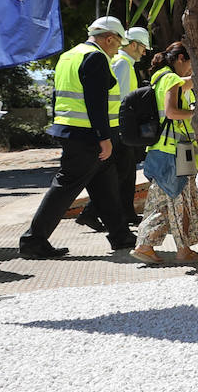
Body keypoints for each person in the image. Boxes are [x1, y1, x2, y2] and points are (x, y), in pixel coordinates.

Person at [19, 17, 136, 259]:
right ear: (109, 38)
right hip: (88, 136)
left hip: (73, 130)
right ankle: (33, 241)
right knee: (66, 187)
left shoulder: (69, 55)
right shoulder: (95, 57)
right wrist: (103, 137)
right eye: (117, 44)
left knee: (106, 185)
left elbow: (57, 96)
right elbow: (96, 103)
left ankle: (120, 235)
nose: (117, 50)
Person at [132, 43, 198, 265]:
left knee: (164, 203)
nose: (191, 68)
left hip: (160, 151)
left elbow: (187, 83)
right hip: (174, 152)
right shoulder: (170, 79)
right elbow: (172, 112)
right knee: (178, 202)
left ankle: (148, 247)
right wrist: (195, 112)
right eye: (190, 62)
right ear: (181, 58)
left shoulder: (160, 78)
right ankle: (179, 250)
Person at [76, 26, 150, 231]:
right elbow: (122, 99)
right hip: (119, 126)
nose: (144, 52)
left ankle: (123, 213)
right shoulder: (122, 64)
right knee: (120, 174)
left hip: (120, 126)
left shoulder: (124, 63)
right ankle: (92, 213)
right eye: (143, 47)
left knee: (125, 174)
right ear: (133, 44)